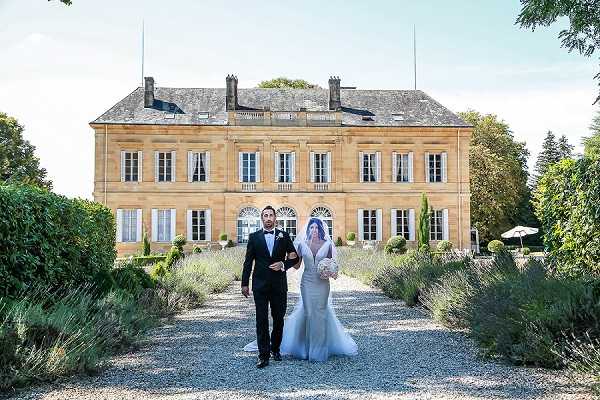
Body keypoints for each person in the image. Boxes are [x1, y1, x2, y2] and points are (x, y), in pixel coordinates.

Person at [244, 217, 358, 362]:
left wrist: (331, 271)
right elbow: (296, 265)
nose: (314, 230)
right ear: (308, 229)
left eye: (317, 228)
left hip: (322, 283)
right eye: (312, 227)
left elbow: (333, 264)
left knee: (321, 313)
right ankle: (306, 348)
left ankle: (319, 350)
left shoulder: (328, 244)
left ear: (322, 230)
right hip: (307, 282)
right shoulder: (303, 245)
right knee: (309, 313)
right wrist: (282, 263)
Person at [241, 205, 299, 369]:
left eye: (270, 215)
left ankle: (275, 349)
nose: (268, 218)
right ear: (262, 218)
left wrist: (283, 264)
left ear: (275, 218)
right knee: (261, 320)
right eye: (265, 215)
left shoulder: (284, 236)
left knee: (279, 318)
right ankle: (263, 355)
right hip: (259, 285)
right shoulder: (254, 237)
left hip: (279, 285)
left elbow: (294, 258)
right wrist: (244, 284)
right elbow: (248, 263)